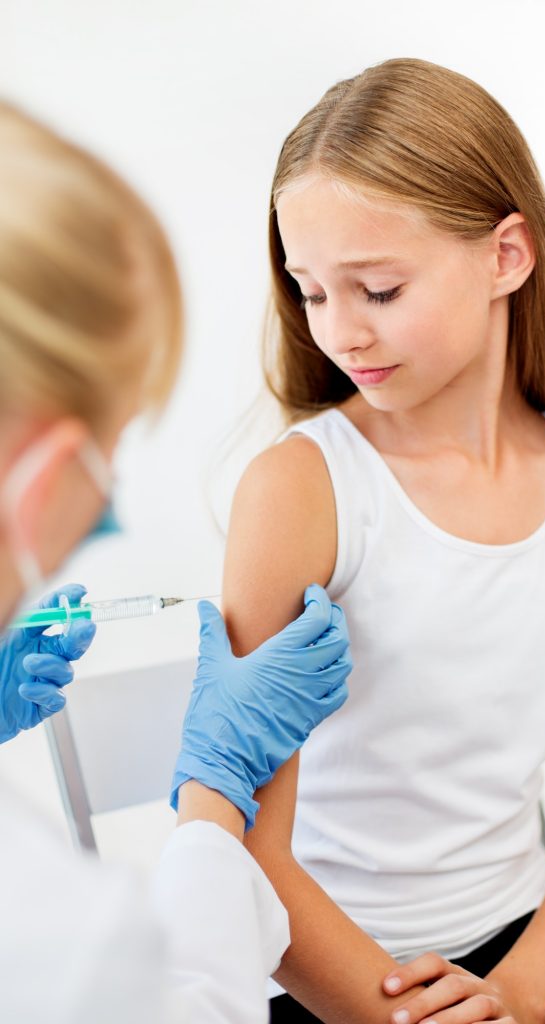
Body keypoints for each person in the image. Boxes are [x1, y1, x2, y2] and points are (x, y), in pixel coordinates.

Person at [226, 58, 545, 1023]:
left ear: (506, 256)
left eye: (377, 288)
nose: (339, 332)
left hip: (522, 931)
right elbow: (248, 847)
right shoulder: (302, 489)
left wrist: (523, 990)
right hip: (329, 959)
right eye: (311, 290)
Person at [0, 100, 354, 1023]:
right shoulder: (58, 939)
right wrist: (213, 790)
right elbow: (191, 1004)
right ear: (38, 484)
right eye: (108, 453)